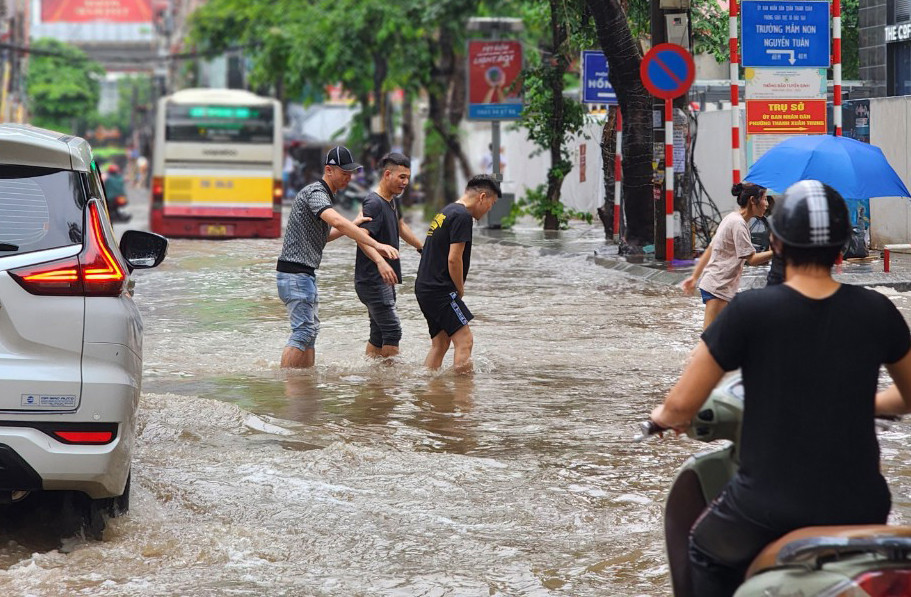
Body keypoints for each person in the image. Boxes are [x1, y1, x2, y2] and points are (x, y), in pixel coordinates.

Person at [650, 180, 911, 597]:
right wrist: (862, 404)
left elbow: (682, 406)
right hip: (865, 505)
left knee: (702, 548)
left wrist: (660, 420)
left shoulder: (750, 312)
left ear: (777, 242)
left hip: (765, 510)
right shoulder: (878, 311)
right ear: (844, 246)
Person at [277, 145, 400, 369]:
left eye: (350, 173)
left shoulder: (323, 195)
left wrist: (352, 225)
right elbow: (336, 221)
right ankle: (288, 386)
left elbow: (322, 238)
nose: (348, 178)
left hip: (303, 274)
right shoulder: (316, 192)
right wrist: (376, 244)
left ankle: (304, 384)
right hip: (295, 274)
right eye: (344, 173)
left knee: (310, 332)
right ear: (329, 170)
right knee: (302, 332)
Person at [414, 174, 501, 373]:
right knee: (465, 341)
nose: (490, 209)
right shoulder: (462, 216)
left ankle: (431, 390)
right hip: (440, 290)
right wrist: (459, 289)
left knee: (441, 343)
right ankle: (463, 398)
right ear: (482, 197)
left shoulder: (447, 211)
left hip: (425, 288)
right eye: (492, 203)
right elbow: (454, 258)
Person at [354, 152, 424, 359]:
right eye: (401, 177)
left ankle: (376, 382)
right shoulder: (374, 203)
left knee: (378, 334)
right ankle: (391, 386)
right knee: (393, 331)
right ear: (387, 175)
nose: (406, 182)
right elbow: (360, 236)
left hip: (384, 279)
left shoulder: (392, 200)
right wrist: (380, 262)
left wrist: (422, 248)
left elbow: (401, 226)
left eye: (408, 178)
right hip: (373, 279)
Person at [681, 182, 774, 329]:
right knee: (710, 338)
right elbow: (752, 259)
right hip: (718, 287)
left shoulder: (731, 218)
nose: (767, 204)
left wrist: (694, 277)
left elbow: (710, 249)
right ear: (752, 200)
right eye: (764, 199)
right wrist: (778, 252)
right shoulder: (738, 224)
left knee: (724, 336)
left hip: (717, 285)